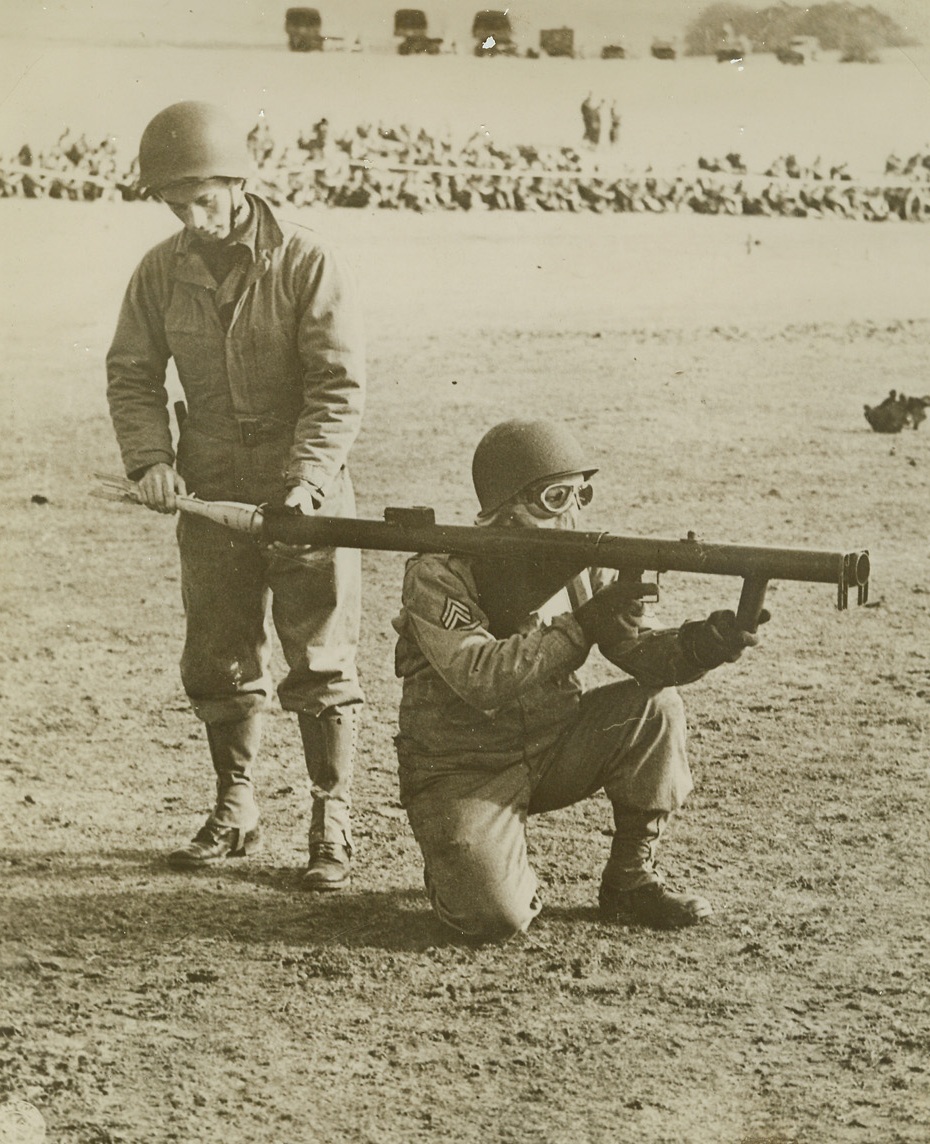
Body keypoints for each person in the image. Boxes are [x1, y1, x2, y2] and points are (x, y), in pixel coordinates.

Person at [106, 101, 365, 890]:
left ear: (238, 181)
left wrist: (307, 481)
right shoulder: (160, 270)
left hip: (304, 486)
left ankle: (331, 813)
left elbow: (336, 385)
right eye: (175, 204)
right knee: (218, 652)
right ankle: (236, 804)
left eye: (204, 199)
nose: (193, 216)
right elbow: (132, 373)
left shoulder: (304, 259)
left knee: (318, 654)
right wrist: (151, 460)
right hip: (209, 478)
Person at [391, 419, 767, 941]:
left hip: (552, 745)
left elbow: (640, 652)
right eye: (556, 496)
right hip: (461, 767)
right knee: (493, 918)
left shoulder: (578, 563)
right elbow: (480, 677)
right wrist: (581, 625)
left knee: (656, 709)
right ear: (509, 506)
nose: (573, 511)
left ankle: (630, 881)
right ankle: (454, 869)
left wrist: (702, 645)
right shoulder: (440, 572)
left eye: (581, 494)